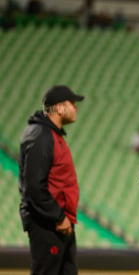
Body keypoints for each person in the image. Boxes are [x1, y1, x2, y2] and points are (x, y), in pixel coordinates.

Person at [18, 85, 84, 275]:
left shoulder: (50, 134)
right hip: (48, 224)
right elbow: (34, 187)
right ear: (60, 108)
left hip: (60, 222)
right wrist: (58, 216)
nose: (76, 108)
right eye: (72, 103)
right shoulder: (41, 136)